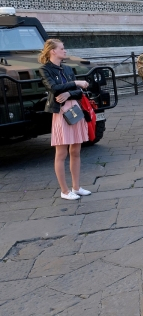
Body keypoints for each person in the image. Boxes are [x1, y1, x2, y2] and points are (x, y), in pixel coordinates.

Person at [38, 39, 92, 200]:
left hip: (74, 108)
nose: (65, 50)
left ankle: (76, 187)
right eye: (62, 48)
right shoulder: (45, 69)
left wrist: (69, 93)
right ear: (52, 51)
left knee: (76, 150)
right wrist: (75, 83)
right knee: (61, 153)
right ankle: (64, 190)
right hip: (60, 112)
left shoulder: (67, 68)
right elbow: (53, 88)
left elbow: (79, 93)